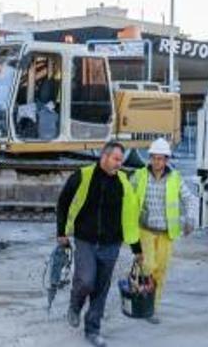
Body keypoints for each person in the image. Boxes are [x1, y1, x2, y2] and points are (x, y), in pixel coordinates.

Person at [56, 141, 143, 347]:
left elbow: (130, 218)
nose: (119, 164)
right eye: (116, 159)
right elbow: (63, 202)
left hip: (111, 244)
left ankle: (93, 329)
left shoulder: (123, 183)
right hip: (85, 240)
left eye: (121, 160)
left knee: (101, 288)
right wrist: (61, 232)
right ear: (104, 157)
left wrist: (136, 249)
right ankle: (75, 305)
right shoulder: (83, 176)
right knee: (86, 281)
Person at [131, 138, 195, 324]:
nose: (157, 162)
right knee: (148, 266)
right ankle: (140, 298)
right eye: (154, 158)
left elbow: (190, 199)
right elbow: (127, 198)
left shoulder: (175, 178)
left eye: (161, 159)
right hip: (146, 231)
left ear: (167, 160)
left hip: (166, 234)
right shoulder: (139, 175)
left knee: (160, 271)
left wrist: (190, 218)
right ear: (150, 158)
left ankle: (151, 309)